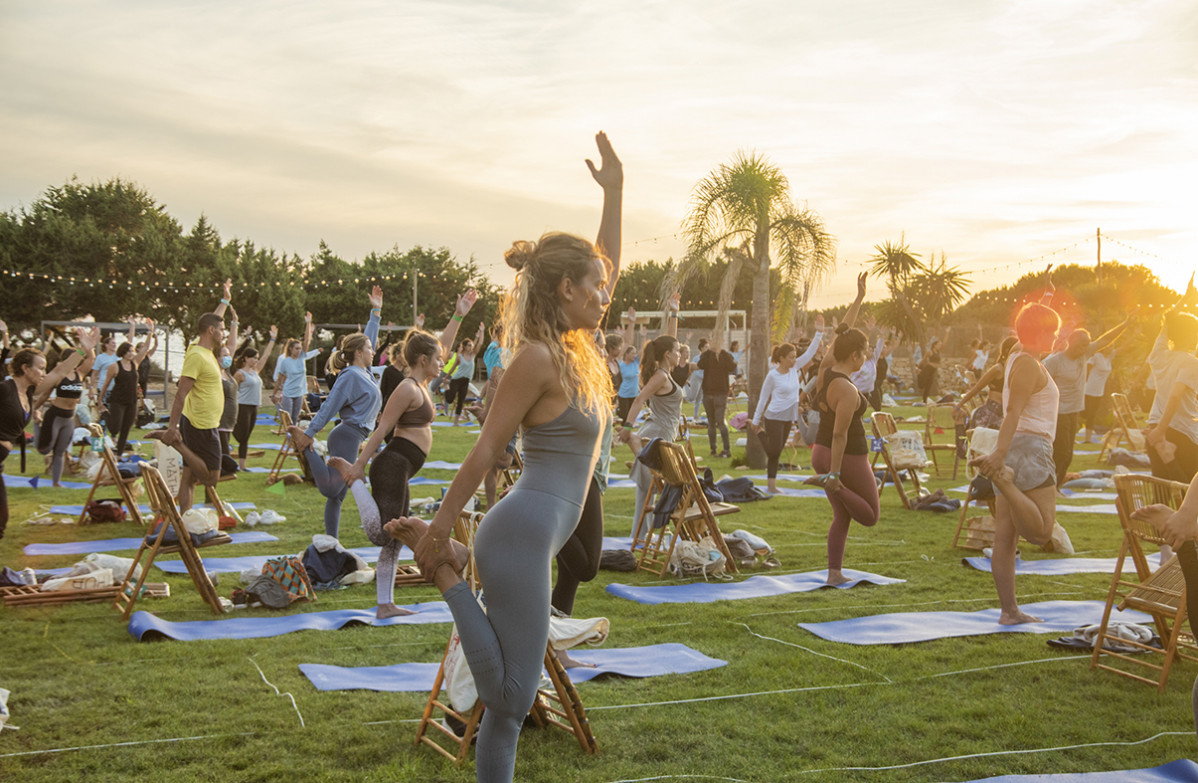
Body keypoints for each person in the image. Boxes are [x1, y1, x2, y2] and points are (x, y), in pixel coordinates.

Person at [379, 131, 621, 783]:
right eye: (595, 286)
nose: (606, 293)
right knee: (511, 703)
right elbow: (487, 448)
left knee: (512, 701)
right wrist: (438, 528)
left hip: (536, 533)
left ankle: (452, 570)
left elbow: (609, 265)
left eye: (604, 283)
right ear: (567, 289)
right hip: (518, 535)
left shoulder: (576, 348)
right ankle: (448, 573)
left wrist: (616, 193)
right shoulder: (537, 359)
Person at [323, 291, 476, 618]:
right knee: (384, 534)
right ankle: (353, 484)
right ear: (423, 361)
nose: (442, 361)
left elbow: (442, 346)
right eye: (437, 359)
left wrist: (459, 314)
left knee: (393, 542)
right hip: (391, 465)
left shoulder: (424, 385)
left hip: (402, 468)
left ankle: (384, 605)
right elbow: (382, 429)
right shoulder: (407, 388)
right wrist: (358, 468)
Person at [969, 298, 1064, 624]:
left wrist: (1044, 301)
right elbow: (1013, 413)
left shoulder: (1016, 358)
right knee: (1041, 532)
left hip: (1015, 449)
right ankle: (1005, 482)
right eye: (1050, 331)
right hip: (1029, 449)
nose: (1055, 337)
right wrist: (998, 456)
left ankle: (1009, 612)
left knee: (1006, 538)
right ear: (1036, 332)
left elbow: (1027, 328)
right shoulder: (1026, 364)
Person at [289, 287, 384, 539]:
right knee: (332, 490)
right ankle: (307, 450)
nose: (373, 350)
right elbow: (329, 406)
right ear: (358, 353)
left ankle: (332, 542)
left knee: (338, 497)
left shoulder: (363, 372)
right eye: (368, 348)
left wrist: (376, 312)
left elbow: (369, 340)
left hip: (354, 434)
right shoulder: (350, 376)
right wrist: (309, 434)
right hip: (346, 435)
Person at [812, 274, 877, 586]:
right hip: (844, 456)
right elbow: (840, 434)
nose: (866, 356)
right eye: (865, 351)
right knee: (869, 515)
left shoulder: (826, 369)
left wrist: (859, 299)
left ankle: (834, 573)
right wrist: (835, 476)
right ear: (855, 356)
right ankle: (831, 483)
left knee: (843, 516)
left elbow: (842, 336)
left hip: (820, 453)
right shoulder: (848, 390)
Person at [4, 332, 98, 536]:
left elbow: (61, 369)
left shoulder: (29, 393)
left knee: (2, 520)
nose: (44, 373)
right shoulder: (5, 389)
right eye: (40, 368)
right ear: (25, 368)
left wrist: (83, 349)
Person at [150, 294, 230, 512]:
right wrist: (172, 429)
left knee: (189, 477)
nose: (224, 334)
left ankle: (185, 521)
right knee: (211, 478)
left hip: (203, 422)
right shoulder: (197, 356)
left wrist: (225, 302)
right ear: (212, 331)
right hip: (200, 425)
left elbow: (212, 320)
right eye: (222, 330)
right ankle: (176, 444)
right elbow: (180, 394)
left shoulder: (202, 348)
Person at [1042, 310, 1135, 487]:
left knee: (1068, 453)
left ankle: (1057, 483)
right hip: (1057, 412)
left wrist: (1124, 325)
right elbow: (1038, 381)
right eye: (1081, 345)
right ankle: (1050, 485)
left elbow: (1105, 340)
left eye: (1087, 345)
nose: (1085, 349)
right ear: (1071, 343)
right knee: (1060, 452)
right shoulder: (1054, 361)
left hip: (1073, 411)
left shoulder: (1084, 354)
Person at [617, 298, 681, 537]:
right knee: (653, 488)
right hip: (657, 433)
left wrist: (674, 313)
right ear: (667, 355)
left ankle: (640, 537)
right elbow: (638, 399)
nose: (680, 354)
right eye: (676, 352)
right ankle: (640, 537)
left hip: (661, 432)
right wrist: (626, 427)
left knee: (649, 490)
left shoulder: (666, 372)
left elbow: (670, 342)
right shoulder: (662, 377)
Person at [751, 316, 824, 493]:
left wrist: (819, 333)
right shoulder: (773, 376)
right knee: (774, 450)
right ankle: (760, 433)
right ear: (782, 358)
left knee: (777, 452)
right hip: (774, 415)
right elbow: (763, 398)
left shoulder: (795, 367)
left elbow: (809, 353)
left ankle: (771, 486)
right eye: (790, 357)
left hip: (789, 416)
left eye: (794, 357)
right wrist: (756, 421)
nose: (794, 360)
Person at [1145, 277, 1198, 483]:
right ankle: (1168, 456)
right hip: (1178, 431)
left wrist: (1184, 299)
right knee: (1187, 490)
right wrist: (1162, 431)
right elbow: (1176, 396)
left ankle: (1167, 458)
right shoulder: (1191, 363)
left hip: (1155, 426)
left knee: (1162, 488)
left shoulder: (1160, 356)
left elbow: (1167, 324)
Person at [34, 333, 96, 487]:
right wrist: (35, 410)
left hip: (69, 418)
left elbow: (91, 359)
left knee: (60, 451)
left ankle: (56, 482)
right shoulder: (59, 375)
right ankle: (37, 427)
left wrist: (89, 347)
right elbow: (44, 395)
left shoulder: (80, 374)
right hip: (55, 415)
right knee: (45, 448)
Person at [231, 326, 276, 471]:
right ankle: (227, 430)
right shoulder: (240, 374)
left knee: (246, 437)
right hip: (242, 406)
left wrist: (272, 339)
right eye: (253, 358)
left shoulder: (256, 371)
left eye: (257, 358)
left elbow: (266, 356)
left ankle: (242, 466)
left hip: (254, 406)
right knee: (241, 436)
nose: (256, 360)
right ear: (245, 358)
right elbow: (231, 391)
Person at [956, 336, 1019, 432]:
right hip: (991, 413)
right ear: (1008, 350)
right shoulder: (998, 369)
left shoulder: (1015, 369)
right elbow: (977, 388)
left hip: (1005, 414)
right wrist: (958, 405)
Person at [272, 312, 316, 425]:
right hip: (288, 392)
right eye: (296, 348)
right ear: (291, 349)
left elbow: (307, 341)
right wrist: (274, 393)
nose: (299, 350)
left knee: (296, 418)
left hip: (299, 392)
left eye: (299, 348)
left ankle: (293, 441)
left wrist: (308, 323)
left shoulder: (302, 357)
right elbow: (279, 378)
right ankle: (289, 438)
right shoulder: (285, 361)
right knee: (288, 418)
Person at [697, 333, 736, 458]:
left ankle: (726, 449)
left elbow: (732, 367)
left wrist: (721, 353)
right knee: (712, 422)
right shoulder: (707, 355)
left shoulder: (724, 355)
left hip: (719, 394)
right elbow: (700, 365)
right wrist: (710, 353)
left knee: (719, 422)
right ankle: (714, 449)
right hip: (709, 393)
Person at [445, 323, 486, 425]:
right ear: (464, 346)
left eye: (471, 345)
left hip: (466, 381)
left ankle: (456, 422)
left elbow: (479, 344)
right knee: (450, 399)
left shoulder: (473, 355)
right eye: (469, 345)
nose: (471, 346)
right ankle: (446, 387)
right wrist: (446, 377)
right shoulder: (460, 356)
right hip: (456, 379)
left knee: (460, 401)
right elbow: (454, 367)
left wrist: (482, 331)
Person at [916, 338, 942, 403]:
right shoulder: (930, 352)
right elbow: (923, 360)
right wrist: (917, 366)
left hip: (933, 371)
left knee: (929, 385)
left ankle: (925, 400)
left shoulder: (938, 352)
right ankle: (919, 374)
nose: (940, 346)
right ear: (934, 345)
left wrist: (947, 333)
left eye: (940, 345)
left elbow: (945, 343)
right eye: (938, 345)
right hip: (928, 369)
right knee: (922, 384)